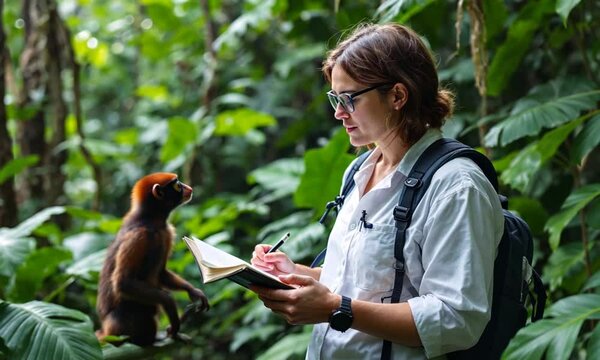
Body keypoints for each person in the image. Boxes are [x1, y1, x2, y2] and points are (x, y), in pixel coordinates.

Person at [250, 23, 504, 359]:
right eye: (334, 99)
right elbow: (367, 282)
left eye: (349, 99)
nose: (339, 113)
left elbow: (456, 318)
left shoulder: (456, 186)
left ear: (398, 96)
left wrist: (334, 309)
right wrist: (298, 274)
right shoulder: (360, 170)